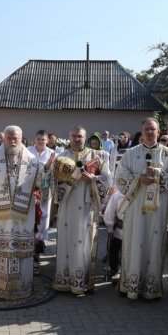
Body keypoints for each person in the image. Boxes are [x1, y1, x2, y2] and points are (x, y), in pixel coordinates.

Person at [114, 118, 168, 301]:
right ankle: (131, 285)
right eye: (146, 129)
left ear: (158, 132)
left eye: (153, 129)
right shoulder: (131, 153)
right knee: (134, 242)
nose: (150, 132)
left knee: (154, 244)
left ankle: (151, 288)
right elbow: (119, 177)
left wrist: (159, 177)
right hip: (135, 209)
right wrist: (139, 180)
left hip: (157, 211)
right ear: (141, 132)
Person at [0, 126, 43, 299]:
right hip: (1, 218)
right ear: (3, 138)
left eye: (15, 137)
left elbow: (42, 185)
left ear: (22, 138)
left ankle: (21, 287)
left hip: (23, 216)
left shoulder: (32, 161)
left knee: (19, 249)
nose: (12, 141)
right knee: (1, 249)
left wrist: (48, 172)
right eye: (9, 137)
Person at [52, 126, 110, 296]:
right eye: (74, 136)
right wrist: (71, 179)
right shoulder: (61, 157)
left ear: (85, 137)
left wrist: (92, 179)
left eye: (80, 136)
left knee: (84, 242)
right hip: (67, 206)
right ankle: (64, 280)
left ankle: (83, 281)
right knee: (66, 240)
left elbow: (107, 180)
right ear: (69, 137)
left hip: (86, 207)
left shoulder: (97, 156)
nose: (77, 139)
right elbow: (54, 183)